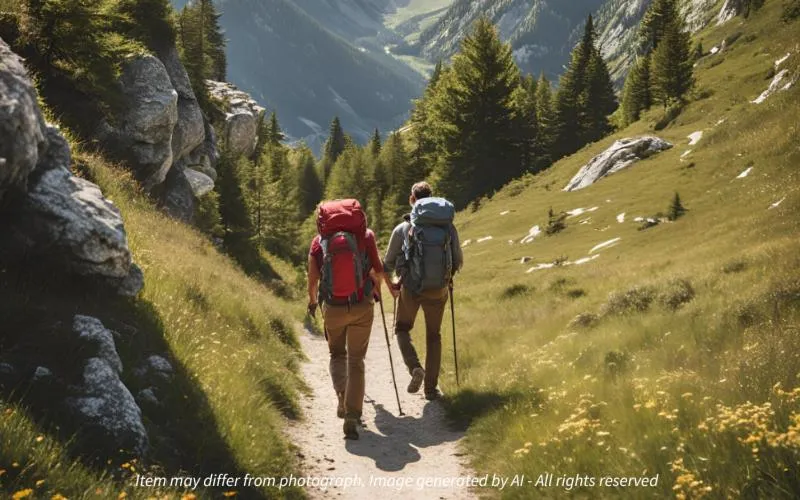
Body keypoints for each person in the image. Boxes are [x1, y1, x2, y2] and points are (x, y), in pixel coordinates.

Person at [307, 199, 395, 439]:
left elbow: (313, 280)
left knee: (337, 354)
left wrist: (313, 302)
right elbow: (378, 269)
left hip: (333, 309)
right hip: (361, 306)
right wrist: (380, 289)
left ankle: (341, 397)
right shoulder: (365, 236)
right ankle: (353, 415)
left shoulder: (318, 243)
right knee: (356, 361)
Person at [383, 182, 463, 401]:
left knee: (401, 329)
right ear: (431, 198)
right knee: (434, 335)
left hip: (411, 288)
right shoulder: (447, 227)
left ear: (412, 200)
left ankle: (415, 367)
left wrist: (392, 282)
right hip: (439, 290)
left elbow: (387, 263)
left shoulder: (403, 229)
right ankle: (431, 389)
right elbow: (457, 259)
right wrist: (448, 277)